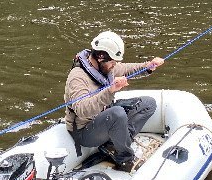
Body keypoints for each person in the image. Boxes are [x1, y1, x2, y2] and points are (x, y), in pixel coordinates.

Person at [64, 31, 165, 170]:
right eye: (112, 62)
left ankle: (114, 144)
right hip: (84, 130)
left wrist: (148, 66)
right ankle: (124, 157)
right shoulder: (77, 77)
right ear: (100, 57)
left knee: (148, 103)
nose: (114, 65)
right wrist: (110, 90)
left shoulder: (105, 66)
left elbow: (126, 68)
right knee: (117, 113)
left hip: (103, 116)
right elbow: (83, 110)